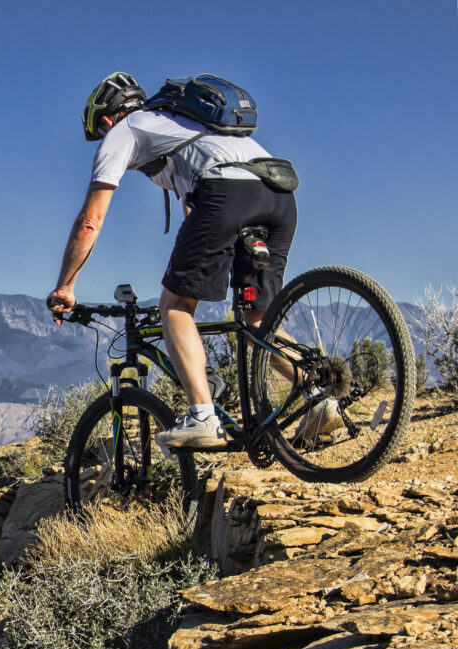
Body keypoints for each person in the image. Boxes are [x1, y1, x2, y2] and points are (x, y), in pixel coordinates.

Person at [47, 72, 329, 450]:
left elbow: (89, 222)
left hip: (226, 191)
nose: (102, 139)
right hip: (278, 193)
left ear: (107, 118)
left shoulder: (124, 131)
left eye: (99, 130)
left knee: (175, 307)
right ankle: (318, 397)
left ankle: (203, 416)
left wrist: (66, 285)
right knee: (256, 315)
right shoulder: (184, 126)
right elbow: (194, 215)